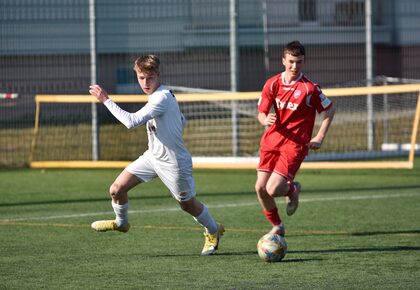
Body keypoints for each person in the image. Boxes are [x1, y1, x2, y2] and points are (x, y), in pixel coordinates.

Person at [88, 55, 224, 256]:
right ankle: (122, 223)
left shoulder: (161, 97)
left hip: (174, 163)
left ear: (158, 75)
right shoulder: (161, 96)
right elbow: (181, 119)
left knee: (187, 205)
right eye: (141, 78)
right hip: (152, 157)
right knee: (117, 189)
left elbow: (131, 121)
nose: (145, 83)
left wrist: (105, 100)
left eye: (149, 78)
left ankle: (213, 230)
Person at [255, 40, 335, 236]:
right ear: (283, 60)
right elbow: (261, 113)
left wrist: (319, 136)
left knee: (273, 189)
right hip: (271, 140)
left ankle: (291, 190)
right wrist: (266, 119)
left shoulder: (309, 89)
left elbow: (330, 109)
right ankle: (277, 226)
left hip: (294, 145)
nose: (294, 66)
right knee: (260, 188)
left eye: (299, 62)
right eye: (291, 61)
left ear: (303, 62)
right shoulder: (271, 84)